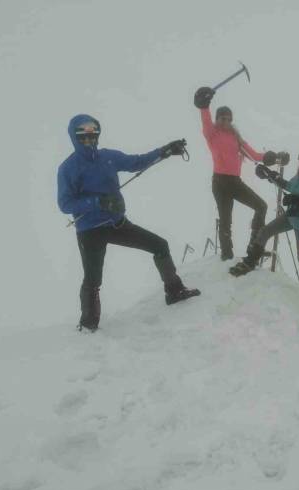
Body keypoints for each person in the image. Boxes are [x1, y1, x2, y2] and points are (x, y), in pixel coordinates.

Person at [57, 114, 200, 332]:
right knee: (93, 279)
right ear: (74, 138)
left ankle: (174, 291)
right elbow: (65, 204)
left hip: (117, 223)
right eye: (83, 136)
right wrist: (99, 201)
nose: (89, 140)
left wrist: (165, 151)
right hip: (90, 230)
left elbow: (137, 162)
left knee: (159, 245)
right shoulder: (68, 167)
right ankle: (88, 324)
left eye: (92, 135)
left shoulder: (108, 157)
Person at [228, 147, 299, 300]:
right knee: (266, 231)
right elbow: (289, 186)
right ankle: (250, 262)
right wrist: (270, 175)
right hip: (291, 216)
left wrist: (296, 201)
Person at [194, 87, 277, 260]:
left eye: (229, 119)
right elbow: (205, 119)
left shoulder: (236, 138)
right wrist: (204, 105)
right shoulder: (212, 134)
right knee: (225, 220)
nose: (226, 121)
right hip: (219, 181)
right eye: (223, 118)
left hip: (234, 182)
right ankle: (227, 255)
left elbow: (255, 155)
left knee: (261, 206)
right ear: (217, 119)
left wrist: (272, 157)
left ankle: (255, 245)